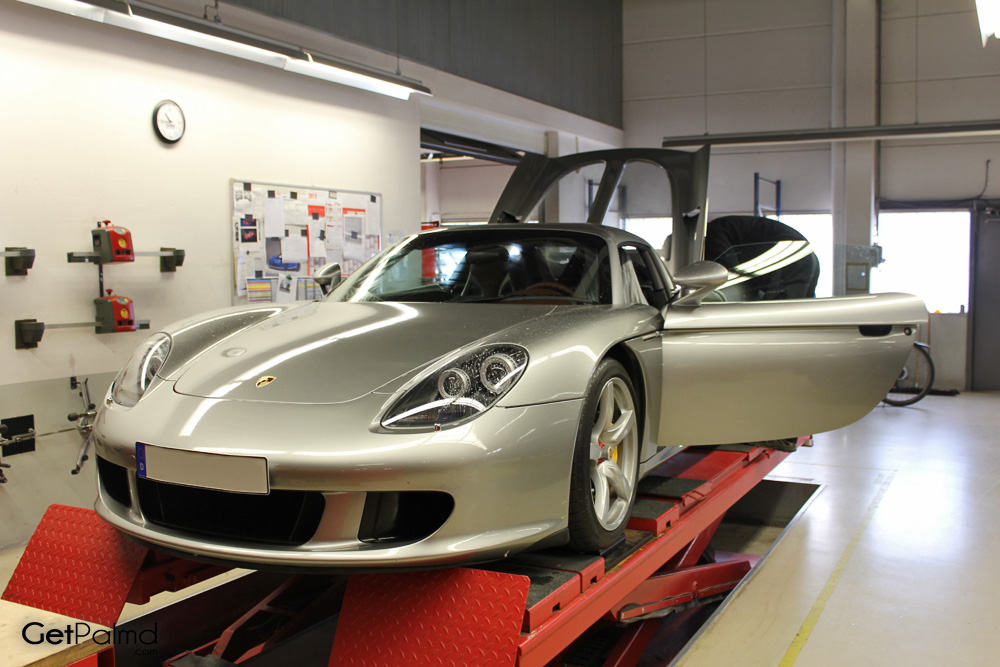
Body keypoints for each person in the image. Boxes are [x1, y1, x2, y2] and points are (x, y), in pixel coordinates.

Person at [704, 215, 820, 300]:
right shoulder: (723, 228)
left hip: (789, 257)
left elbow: (730, 273)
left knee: (776, 313)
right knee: (801, 309)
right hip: (803, 254)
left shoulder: (712, 234)